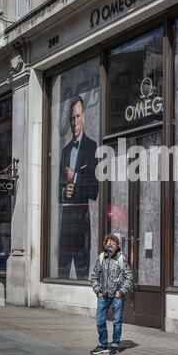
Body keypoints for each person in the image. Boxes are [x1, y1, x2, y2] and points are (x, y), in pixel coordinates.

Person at [58, 95, 98, 280]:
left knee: (83, 273)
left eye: (78, 117)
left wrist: (74, 176)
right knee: (62, 272)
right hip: (66, 222)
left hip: (82, 222)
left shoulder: (92, 147)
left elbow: (95, 190)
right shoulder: (65, 151)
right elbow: (57, 191)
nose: (74, 122)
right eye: (72, 118)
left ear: (84, 116)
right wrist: (62, 191)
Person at [90, 234, 133, 355]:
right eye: (108, 243)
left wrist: (121, 291)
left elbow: (129, 277)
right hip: (103, 295)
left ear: (117, 246)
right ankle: (103, 345)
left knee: (116, 321)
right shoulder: (101, 258)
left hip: (117, 295)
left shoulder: (121, 259)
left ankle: (114, 346)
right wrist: (98, 291)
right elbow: (94, 277)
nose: (110, 246)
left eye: (113, 244)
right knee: (100, 320)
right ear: (105, 245)